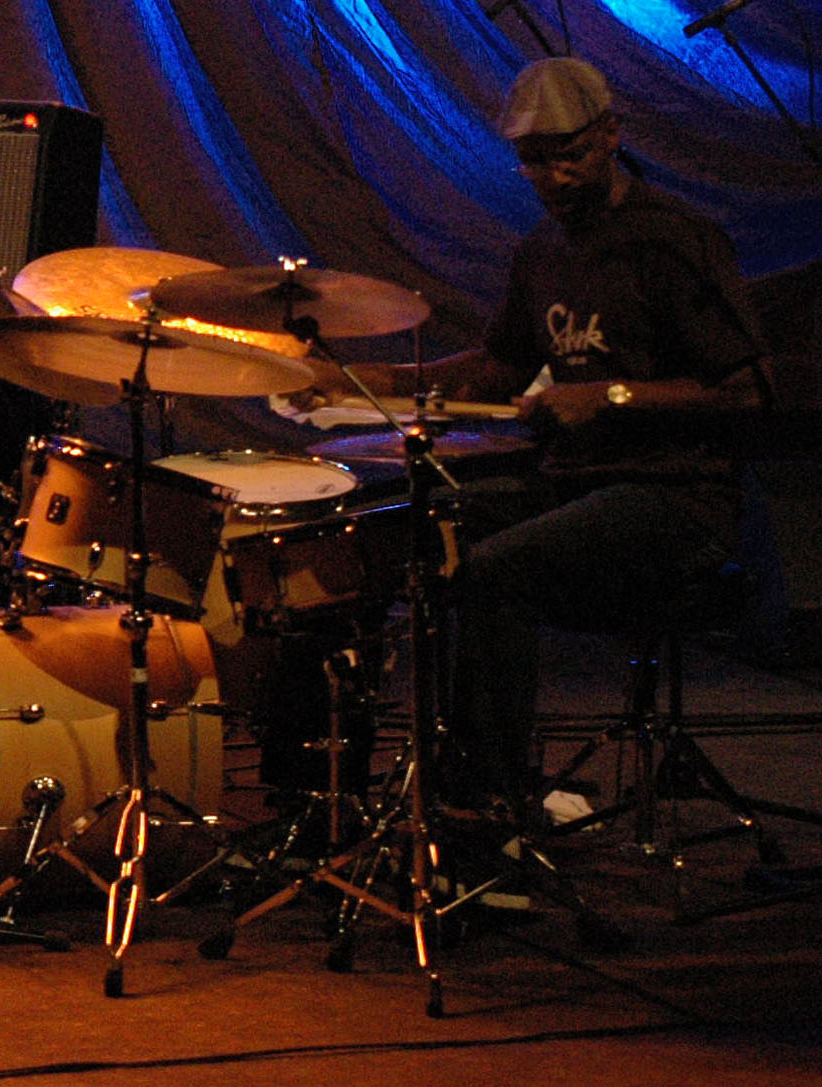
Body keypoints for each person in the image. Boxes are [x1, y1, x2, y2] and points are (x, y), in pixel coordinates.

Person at [325, 57, 770, 819]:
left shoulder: (673, 239)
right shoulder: (543, 252)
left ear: (610, 136)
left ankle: (491, 804)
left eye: (569, 153)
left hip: (674, 497)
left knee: (492, 571)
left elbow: (750, 388)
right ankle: (369, 790)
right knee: (408, 533)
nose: (553, 176)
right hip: (578, 486)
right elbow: (501, 366)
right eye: (535, 160)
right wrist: (360, 380)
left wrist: (613, 395)